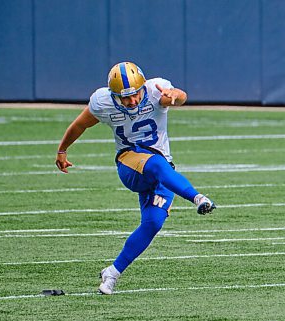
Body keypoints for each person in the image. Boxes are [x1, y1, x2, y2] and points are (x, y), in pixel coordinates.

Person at [55, 61, 216, 295]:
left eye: (134, 95)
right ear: (113, 96)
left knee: (153, 223)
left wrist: (175, 95)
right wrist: (62, 150)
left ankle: (112, 272)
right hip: (129, 164)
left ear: (143, 87)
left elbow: (179, 96)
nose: (130, 101)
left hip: (162, 172)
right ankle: (198, 198)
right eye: (124, 97)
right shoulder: (103, 102)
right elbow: (80, 125)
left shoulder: (155, 90)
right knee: (157, 163)